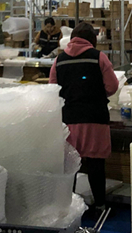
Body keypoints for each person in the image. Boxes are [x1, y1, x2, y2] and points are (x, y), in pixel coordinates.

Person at [49, 22, 118, 215]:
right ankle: (100, 205)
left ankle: (68, 208)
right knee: (96, 163)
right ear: (92, 40)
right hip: (95, 118)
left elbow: (52, 89)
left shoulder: (59, 60)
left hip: (69, 119)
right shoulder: (99, 57)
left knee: (70, 165)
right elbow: (112, 86)